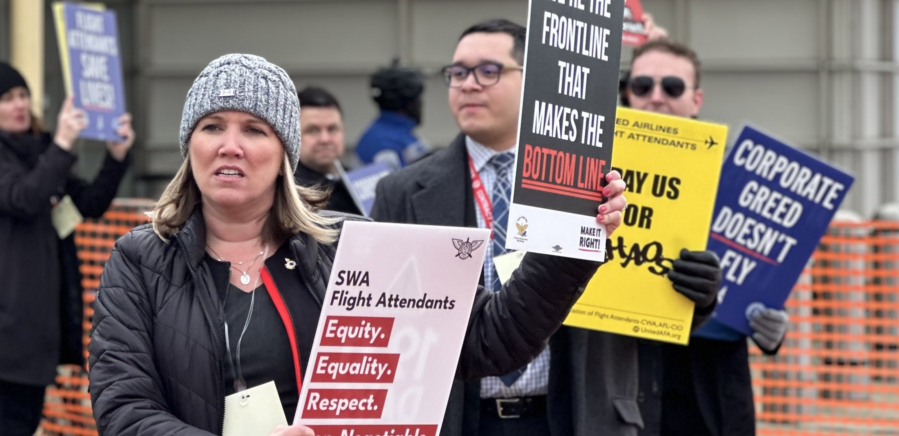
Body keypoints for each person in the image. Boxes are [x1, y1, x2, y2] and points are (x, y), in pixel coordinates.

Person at [87, 53, 629, 435]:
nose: (230, 146)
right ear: (190, 146)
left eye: (254, 129)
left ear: (285, 155)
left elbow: (492, 338)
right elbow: (123, 409)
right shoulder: (140, 261)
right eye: (211, 127)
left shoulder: (351, 246)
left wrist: (572, 239)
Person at [371, 19, 722, 436]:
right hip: (454, 419)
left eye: (488, 71)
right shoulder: (401, 192)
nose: (468, 84)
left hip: (577, 416)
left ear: (534, 81)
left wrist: (693, 297)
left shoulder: (602, 181)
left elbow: (641, 309)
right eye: (457, 73)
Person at [621, 38, 790, 436]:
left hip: (710, 392)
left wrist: (771, 322)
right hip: (618, 385)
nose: (657, 97)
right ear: (628, 93)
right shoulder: (594, 170)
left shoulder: (740, 182)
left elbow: (759, 271)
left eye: (673, 87)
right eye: (643, 86)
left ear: (696, 99)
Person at [0, 61, 134, 435]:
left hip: (40, 323)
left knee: (22, 425)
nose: (19, 104)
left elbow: (90, 203)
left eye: (22, 94)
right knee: (12, 426)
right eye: (7, 98)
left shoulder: (42, 154)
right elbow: (25, 197)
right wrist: (62, 144)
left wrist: (116, 156)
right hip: (4, 323)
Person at [294, 86, 360, 215]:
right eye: (312, 130)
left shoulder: (356, 179)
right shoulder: (290, 191)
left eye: (332, 129)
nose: (325, 139)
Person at [355, 62, 430, 168]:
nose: (422, 103)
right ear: (408, 103)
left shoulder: (399, 134)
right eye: (418, 99)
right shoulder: (383, 144)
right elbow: (392, 184)